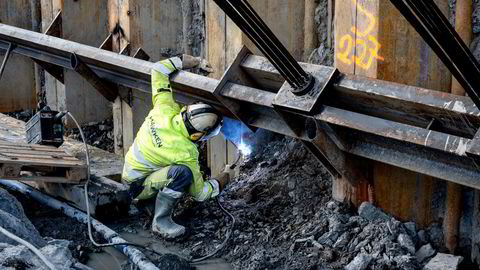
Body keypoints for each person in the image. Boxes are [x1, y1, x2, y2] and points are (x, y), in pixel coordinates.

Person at [121, 55, 234, 239]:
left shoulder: (164, 107)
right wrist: (226, 177)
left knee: (174, 170)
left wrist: (196, 61)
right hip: (136, 186)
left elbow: (158, 69)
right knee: (183, 174)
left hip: (131, 171)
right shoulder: (186, 152)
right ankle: (161, 222)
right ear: (197, 135)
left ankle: (148, 202)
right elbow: (201, 194)